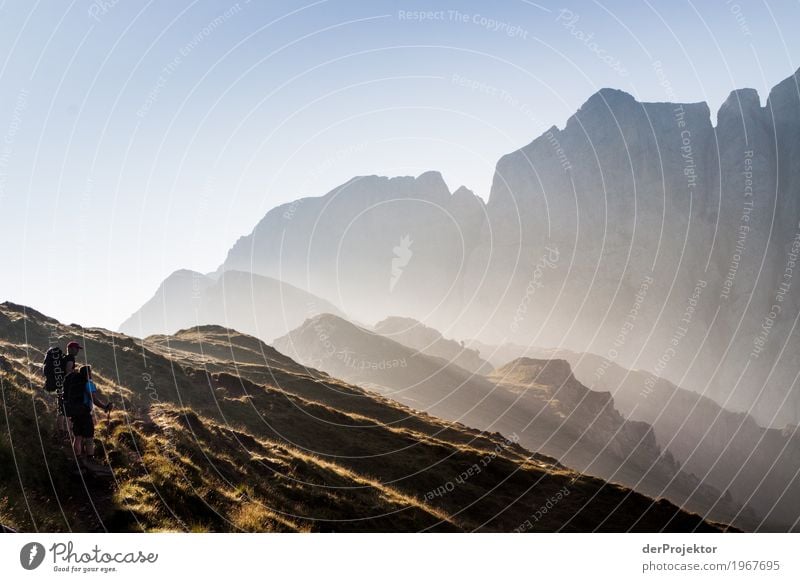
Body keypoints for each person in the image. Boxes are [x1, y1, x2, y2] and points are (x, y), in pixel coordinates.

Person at [64, 365, 112, 471]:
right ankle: (90, 459)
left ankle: (78, 458)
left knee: (78, 437)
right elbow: (94, 399)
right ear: (88, 373)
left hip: (75, 412)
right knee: (89, 437)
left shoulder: (75, 383)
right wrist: (105, 407)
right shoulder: (88, 384)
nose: (91, 374)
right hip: (84, 413)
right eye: (90, 372)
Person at [56, 341, 82, 440]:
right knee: (64, 409)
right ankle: (63, 432)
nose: (77, 351)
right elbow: (68, 372)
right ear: (71, 348)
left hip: (60, 386)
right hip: (65, 387)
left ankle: (62, 431)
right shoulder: (70, 358)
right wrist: (74, 374)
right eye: (76, 349)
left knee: (61, 408)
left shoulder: (65, 357)